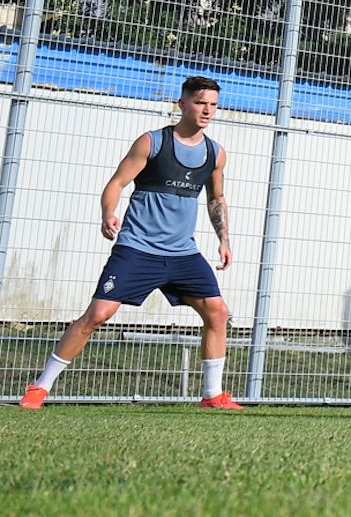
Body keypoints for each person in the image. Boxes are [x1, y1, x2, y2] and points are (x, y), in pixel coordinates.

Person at [18, 76, 240, 411]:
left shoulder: (215, 153)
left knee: (217, 312)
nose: (207, 110)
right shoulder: (152, 143)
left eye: (212, 104)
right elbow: (117, 183)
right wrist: (109, 213)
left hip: (183, 253)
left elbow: (216, 199)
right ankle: (39, 388)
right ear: (182, 104)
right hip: (137, 248)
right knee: (97, 315)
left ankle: (212, 396)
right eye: (199, 102)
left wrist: (224, 239)